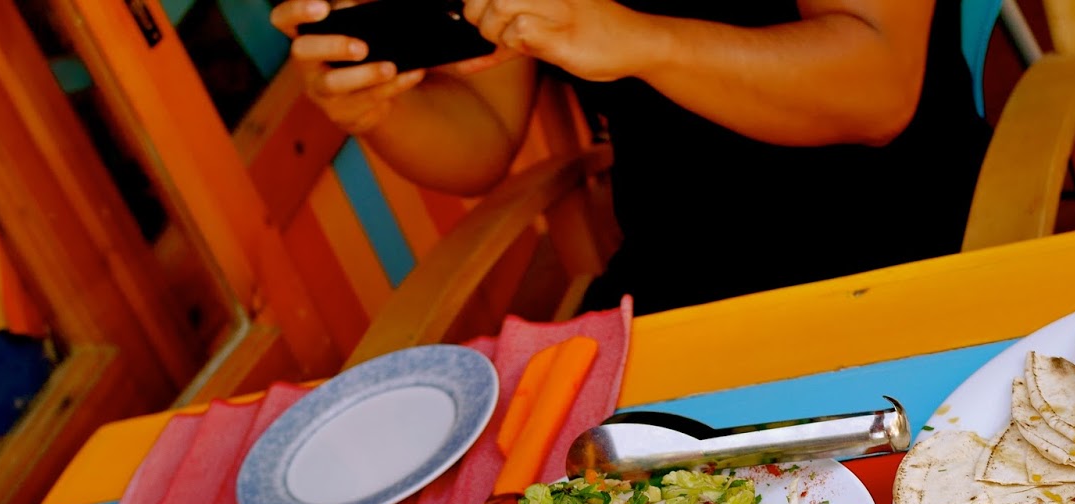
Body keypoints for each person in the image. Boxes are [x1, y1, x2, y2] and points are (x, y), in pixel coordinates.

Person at [271, 0, 991, 314]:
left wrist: (639, 40)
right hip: (680, 281)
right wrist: (382, 108)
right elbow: (483, 135)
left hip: (913, 251)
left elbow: (877, 88)